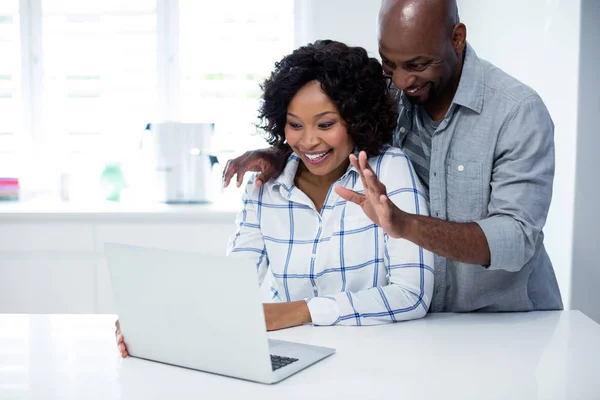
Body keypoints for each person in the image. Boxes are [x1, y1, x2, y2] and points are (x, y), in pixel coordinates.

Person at [222, 0, 563, 313]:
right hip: (423, 325)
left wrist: (405, 225)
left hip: (507, 319)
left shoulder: (515, 111)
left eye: (417, 64)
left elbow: (515, 239)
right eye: (389, 63)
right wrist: (280, 154)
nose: (400, 81)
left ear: (457, 38)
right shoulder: (391, 94)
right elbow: (329, 128)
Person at [116, 40, 434, 357]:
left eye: (326, 124)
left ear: (356, 118)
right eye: (295, 125)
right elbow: (232, 285)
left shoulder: (389, 171)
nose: (308, 141)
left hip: (374, 358)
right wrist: (158, 318)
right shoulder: (264, 183)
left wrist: (300, 312)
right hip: (289, 354)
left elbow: (412, 295)